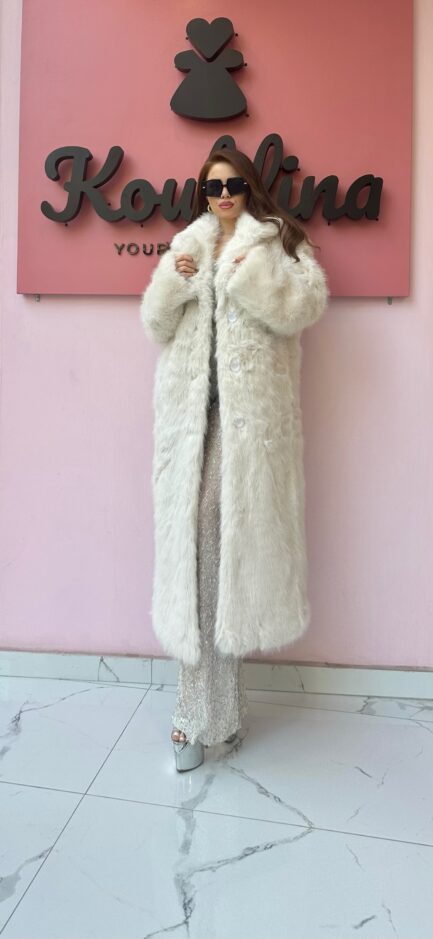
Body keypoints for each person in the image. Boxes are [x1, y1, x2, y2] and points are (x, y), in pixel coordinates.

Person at [140, 148, 329, 772]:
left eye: (234, 185)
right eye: (213, 186)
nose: (223, 195)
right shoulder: (188, 243)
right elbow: (156, 325)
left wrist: (250, 277)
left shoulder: (278, 241)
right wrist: (174, 282)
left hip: (248, 427)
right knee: (196, 549)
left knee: (216, 535)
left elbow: (305, 307)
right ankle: (213, 712)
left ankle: (196, 715)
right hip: (190, 422)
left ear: (251, 187)